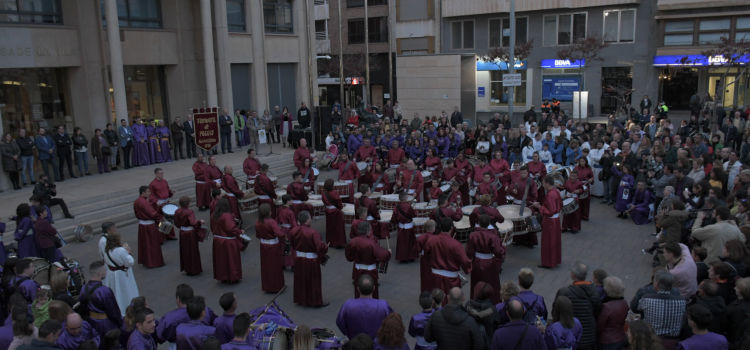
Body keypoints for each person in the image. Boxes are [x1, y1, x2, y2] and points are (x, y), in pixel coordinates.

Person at [554, 261, 601, 349]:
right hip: (589, 335)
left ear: (574, 275)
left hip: (570, 335)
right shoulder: (594, 290)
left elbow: (555, 312)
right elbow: (597, 310)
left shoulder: (564, 292)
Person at [424, 218, 472, 304]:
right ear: (451, 228)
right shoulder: (456, 244)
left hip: (435, 275)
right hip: (451, 279)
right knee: (451, 301)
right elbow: (465, 261)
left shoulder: (431, 240)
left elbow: (426, 255)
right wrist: (468, 268)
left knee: (436, 299)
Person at [289, 211, 329, 307]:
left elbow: (292, 244)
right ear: (307, 220)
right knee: (314, 280)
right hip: (311, 260)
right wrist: (326, 247)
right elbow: (319, 246)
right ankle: (315, 300)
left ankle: (300, 299)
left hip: (299, 258)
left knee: (300, 279)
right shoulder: (313, 232)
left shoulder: (293, 230)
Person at [638, 270, 686, 349]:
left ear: (656, 284)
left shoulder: (647, 299)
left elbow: (639, 307)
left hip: (652, 340)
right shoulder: (682, 301)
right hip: (673, 341)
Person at [336, 274, 393, 339]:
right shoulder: (383, 305)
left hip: (355, 343)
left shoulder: (348, 305)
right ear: (374, 288)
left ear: (358, 289)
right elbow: (392, 322)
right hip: (376, 345)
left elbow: (340, 322)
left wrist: (349, 333)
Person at [345, 222, 391, 298]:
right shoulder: (371, 243)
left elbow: (348, 257)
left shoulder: (352, 241)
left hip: (357, 270)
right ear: (367, 231)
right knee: (372, 293)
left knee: (358, 291)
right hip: (370, 271)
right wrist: (389, 253)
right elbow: (383, 256)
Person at [466, 215, 505, 304]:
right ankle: (492, 301)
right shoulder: (493, 236)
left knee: (476, 282)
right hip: (489, 263)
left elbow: (469, 252)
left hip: (476, 262)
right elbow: (499, 252)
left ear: (479, 223)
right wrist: (503, 248)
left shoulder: (473, 235)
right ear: (489, 224)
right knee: (491, 283)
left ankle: (475, 300)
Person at [99, 229, 137, 317]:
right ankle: (128, 308)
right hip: (123, 275)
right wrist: (128, 252)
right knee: (126, 291)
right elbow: (130, 262)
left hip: (113, 275)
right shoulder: (121, 251)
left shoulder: (107, 252)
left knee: (117, 292)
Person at [79, 261, 123, 336]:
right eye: (104, 270)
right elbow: (114, 312)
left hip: (91, 322)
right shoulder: (105, 291)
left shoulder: (83, 289)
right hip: (106, 325)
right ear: (99, 273)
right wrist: (121, 324)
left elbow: (83, 306)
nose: (106, 272)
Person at [255, 203, 286, 293]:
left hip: (263, 245)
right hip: (273, 246)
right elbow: (279, 234)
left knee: (266, 266)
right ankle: (277, 286)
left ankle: (267, 286)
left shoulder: (258, 222)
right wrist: (284, 236)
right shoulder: (271, 222)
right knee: (275, 266)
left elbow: (258, 235)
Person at [211, 199, 244, 284]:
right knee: (232, 259)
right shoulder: (227, 215)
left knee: (221, 259)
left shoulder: (213, 215)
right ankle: (233, 277)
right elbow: (231, 228)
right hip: (228, 241)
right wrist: (240, 231)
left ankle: (223, 276)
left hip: (217, 240)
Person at [534, 175, 563, 268]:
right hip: (556, 220)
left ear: (547, 183)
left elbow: (549, 211)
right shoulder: (555, 191)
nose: (542, 184)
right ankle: (555, 260)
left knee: (548, 241)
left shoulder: (550, 194)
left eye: (543, 183)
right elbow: (560, 204)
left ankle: (548, 262)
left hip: (550, 222)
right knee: (555, 241)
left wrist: (539, 207)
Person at [133, 186, 164, 268]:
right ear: (143, 192)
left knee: (145, 244)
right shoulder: (145, 203)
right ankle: (154, 262)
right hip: (150, 226)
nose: (150, 193)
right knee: (153, 244)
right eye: (148, 191)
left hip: (142, 225)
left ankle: (146, 261)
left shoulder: (137, 201)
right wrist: (161, 218)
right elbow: (153, 213)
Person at [175, 196, 206, 276]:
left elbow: (176, 223)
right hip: (190, 233)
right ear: (188, 203)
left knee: (185, 250)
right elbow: (193, 222)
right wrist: (200, 222)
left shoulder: (177, 211)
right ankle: (194, 269)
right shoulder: (189, 212)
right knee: (192, 250)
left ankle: (187, 268)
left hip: (182, 232)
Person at [597, 277, 629, 350]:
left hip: (607, 341)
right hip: (621, 337)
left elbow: (599, 326)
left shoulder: (606, 307)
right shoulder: (624, 303)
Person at [465, 281, 501, 346]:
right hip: (487, 342)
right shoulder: (492, 310)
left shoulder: (467, 306)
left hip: (470, 341)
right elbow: (497, 325)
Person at [392, 192, 418, 262]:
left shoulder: (396, 207)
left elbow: (393, 218)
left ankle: (402, 258)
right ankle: (411, 257)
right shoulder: (408, 206)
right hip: (409, 227)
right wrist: (414, 210)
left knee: (402, 243)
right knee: (410, 242)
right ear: (405, 198)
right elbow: (413, 214)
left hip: (401, 227)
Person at [321, 179, 347, 247]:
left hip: (328, 211)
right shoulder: (335, 193)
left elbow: (324, 202)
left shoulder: (324, 193)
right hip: (336, 211)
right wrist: (341, 207)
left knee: (330, 227)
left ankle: (330, 242)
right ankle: (339, 243)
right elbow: (339, 203)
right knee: (338, 227)